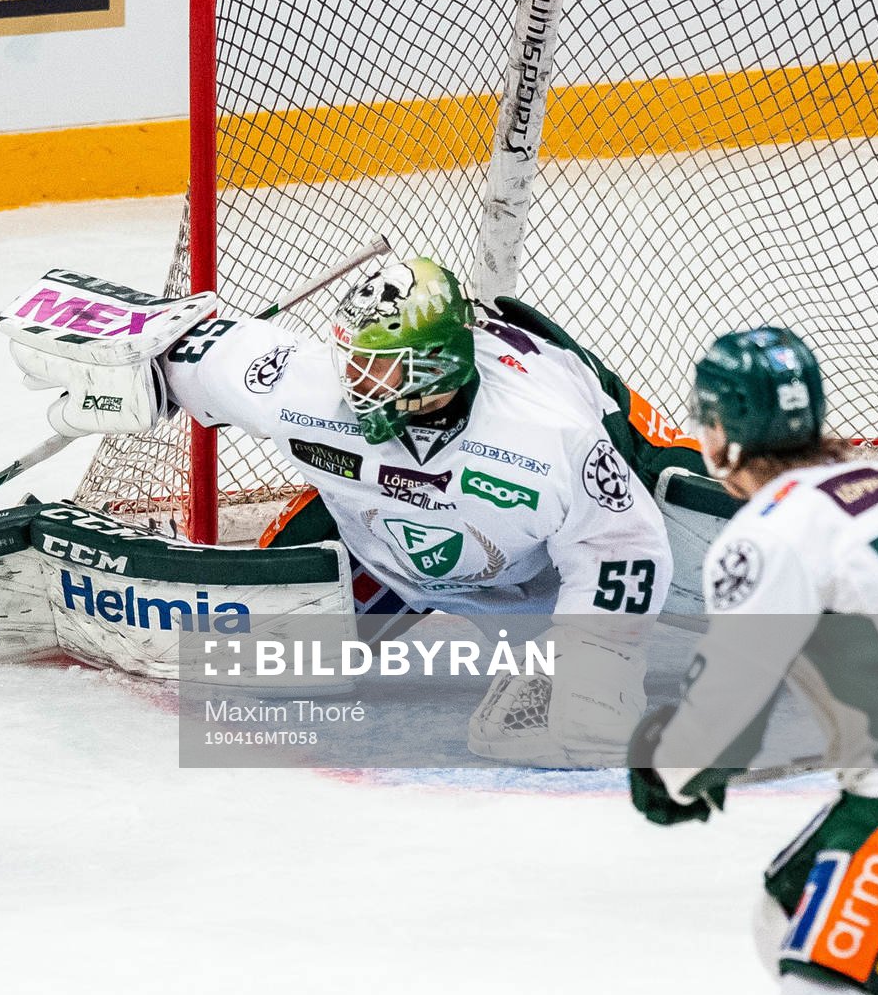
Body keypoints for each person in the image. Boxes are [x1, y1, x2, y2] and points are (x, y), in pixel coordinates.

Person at [104, 255, 701, 763]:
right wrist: (117, 365)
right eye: (354, 359)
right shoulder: (304, 387)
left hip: (563, 535)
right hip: (381, 544)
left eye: (383, 366)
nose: (358, 382)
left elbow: (622, 547)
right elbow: (182, 343)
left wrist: (600, 653)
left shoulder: (548, 433)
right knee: (259, 663)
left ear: (440, 364)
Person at [629, 326, 878, 995]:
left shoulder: (767, 534)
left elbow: (725, 717)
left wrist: (666, 770)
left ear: (725, 429)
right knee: (785, 913)